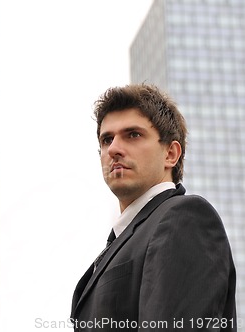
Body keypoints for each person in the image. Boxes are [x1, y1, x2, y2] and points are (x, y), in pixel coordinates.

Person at [70, 84, 236, 331]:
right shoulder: (121, 240)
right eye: (107, 139)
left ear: (171, 153)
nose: (114, 148)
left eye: (133, 135)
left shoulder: (184, 218)